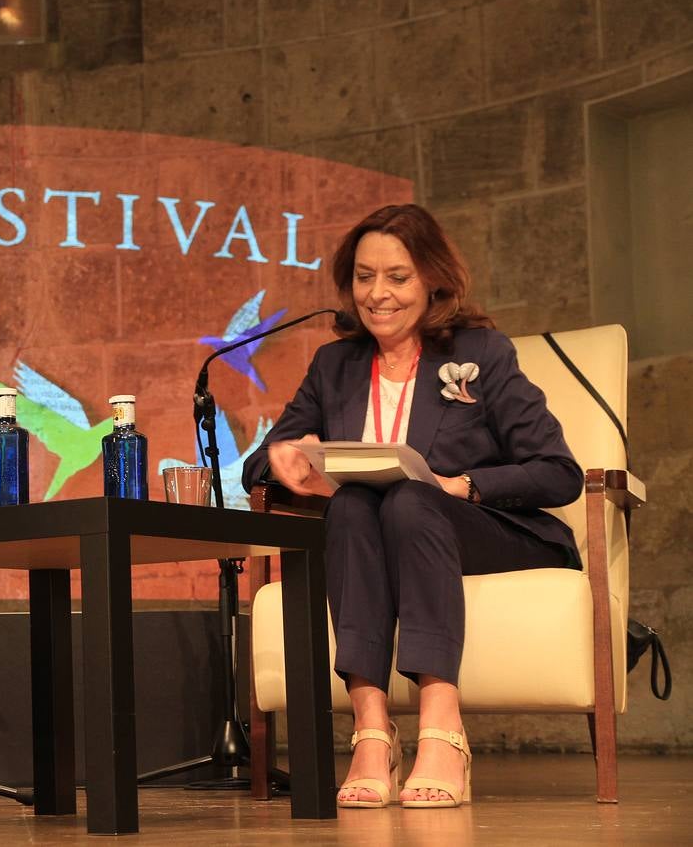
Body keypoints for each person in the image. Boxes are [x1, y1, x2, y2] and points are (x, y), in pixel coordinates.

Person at [241, 204, 582, 809]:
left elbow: (559, 474)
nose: (378, 295)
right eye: (364, 277)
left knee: (410, 499)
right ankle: (372, 732)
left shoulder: (482, 352)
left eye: (397, 277)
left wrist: (464, 486)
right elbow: (261, 462)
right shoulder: (334, 365)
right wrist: (290, 458)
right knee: (348, 510)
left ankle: (442, 726)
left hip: (483, 529)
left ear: (431, 279)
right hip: (375, 533)